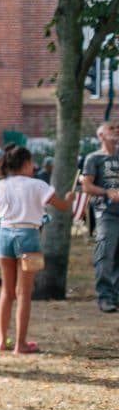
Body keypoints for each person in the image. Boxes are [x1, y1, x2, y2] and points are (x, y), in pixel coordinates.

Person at [0, 143, 74, 353]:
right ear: (27, 164)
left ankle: (1, 341)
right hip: (29, 236)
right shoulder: (38, 185)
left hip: (4, 235)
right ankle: (20, 343)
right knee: (24, 293)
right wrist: (70, 199)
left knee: (6, 291)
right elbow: (62, 207)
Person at [82, 121, 119, 312]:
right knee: (105, 253)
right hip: (107, 212)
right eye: (111, 128)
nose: (116, 130)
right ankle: (105, 296)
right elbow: (86, 186)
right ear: (101, 135)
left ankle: (116, 297)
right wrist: (107, 192)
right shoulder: (94, 158)